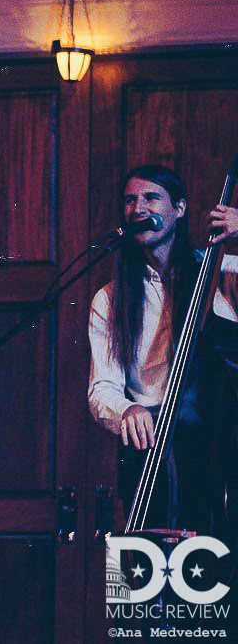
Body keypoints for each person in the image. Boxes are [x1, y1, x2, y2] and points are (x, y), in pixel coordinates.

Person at [88, 164, 238, 531]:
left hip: (217, 445)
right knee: (137, 573)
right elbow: (102, 387)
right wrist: (126, 409)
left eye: (151, 197)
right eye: (130, 200)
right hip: (150, 449)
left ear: (180, 209)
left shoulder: (223, 272)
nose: (138, 208)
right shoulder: (110, 299)